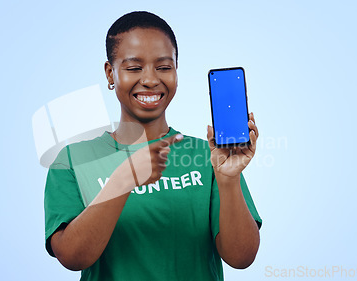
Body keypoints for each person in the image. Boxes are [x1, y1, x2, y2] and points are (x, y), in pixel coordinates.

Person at [44, 11, 262, 281]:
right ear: (110, 73)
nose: (149, 79)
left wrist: (228, 180)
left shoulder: (209, 156)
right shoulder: (73, 160)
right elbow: (72, 257)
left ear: (176, 72)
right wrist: (123, 179)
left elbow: (241, 258)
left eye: (163, 67)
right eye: (134, 68)